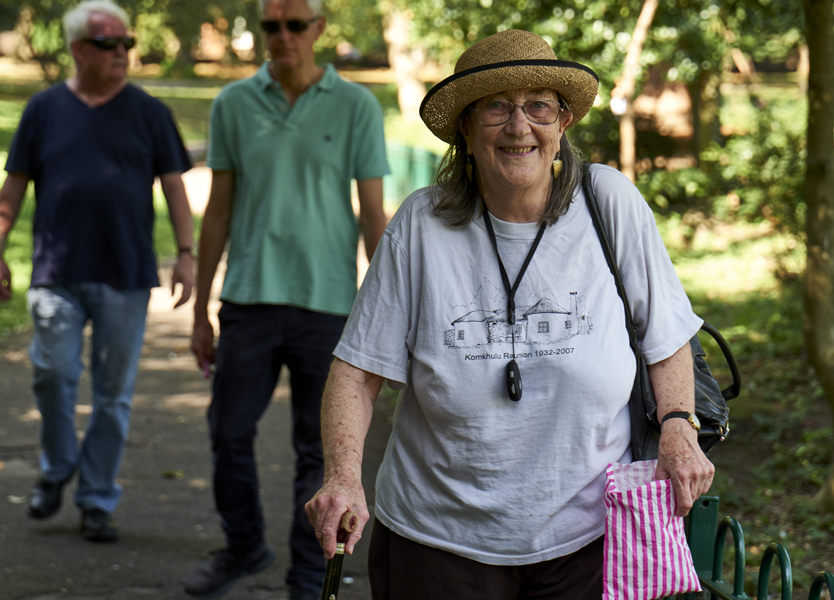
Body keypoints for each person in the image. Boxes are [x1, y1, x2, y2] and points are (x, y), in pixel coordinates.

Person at [306, 29, 715, 599]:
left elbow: (665, 337)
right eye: (496, 107)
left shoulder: (610, 203)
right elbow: (356, 372)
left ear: (563, 121)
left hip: (591, 537)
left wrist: (678, 428)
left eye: (538, 105)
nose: (519, 126)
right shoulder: (421, 227)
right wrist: (344, 477)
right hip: (438, 542)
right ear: (466, 130)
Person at [183, 0, 389, 597]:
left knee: (316, 451)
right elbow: (216, 211)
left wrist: (393, 311)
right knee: (227, 432)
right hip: (248, 300)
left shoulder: (356, 105)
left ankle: (306, 577)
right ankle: (244, 547)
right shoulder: (233, 104)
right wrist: (200, 309)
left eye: (295, 24)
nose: (282, 36)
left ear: (319, 30)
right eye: (271, 25)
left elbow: (373, 214)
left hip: (327, 307)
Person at [0, 0, 194, 543]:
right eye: (111, 44)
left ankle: (96, 498)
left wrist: (187, 254)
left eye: (128, 44)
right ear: (79, 49)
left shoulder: (149, 112)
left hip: (125, 273)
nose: (124, 53)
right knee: (53, 375)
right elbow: (14, 185)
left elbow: (174, 185)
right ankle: (57, 468)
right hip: (56, 270)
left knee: (112, 395)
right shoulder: (44, 109)